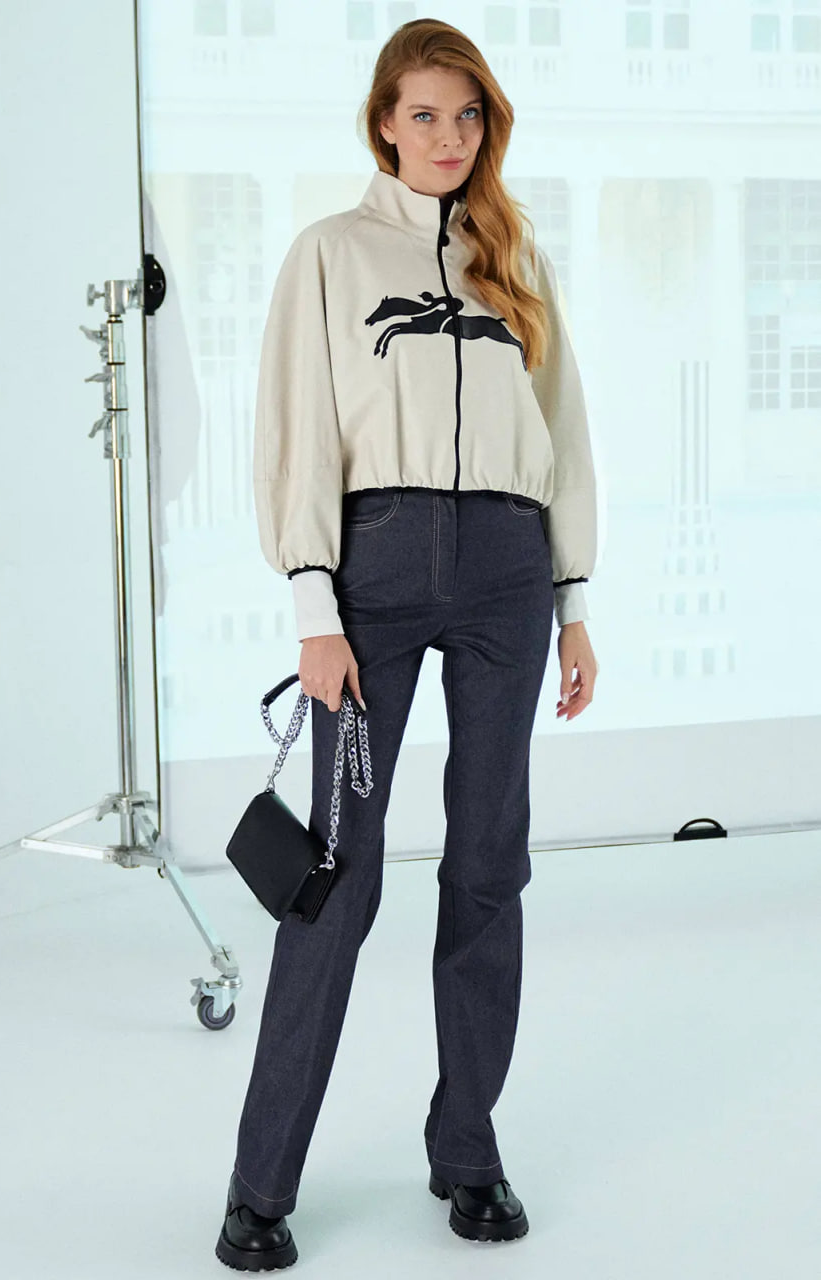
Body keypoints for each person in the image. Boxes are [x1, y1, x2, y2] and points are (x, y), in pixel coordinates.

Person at [215, 17, 599, 1272]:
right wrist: (314, 608)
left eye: (467, 115)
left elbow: (564, 432)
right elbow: (295, 426)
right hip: (372, 572)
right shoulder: (331, 252)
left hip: (507, 575)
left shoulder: (514, 256)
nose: (447, 136)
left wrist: (574, 600)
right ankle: (260, 1182)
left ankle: (469, 1151)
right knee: (341, 873)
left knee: (489, 860)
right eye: (425, 114)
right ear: (384, 122)